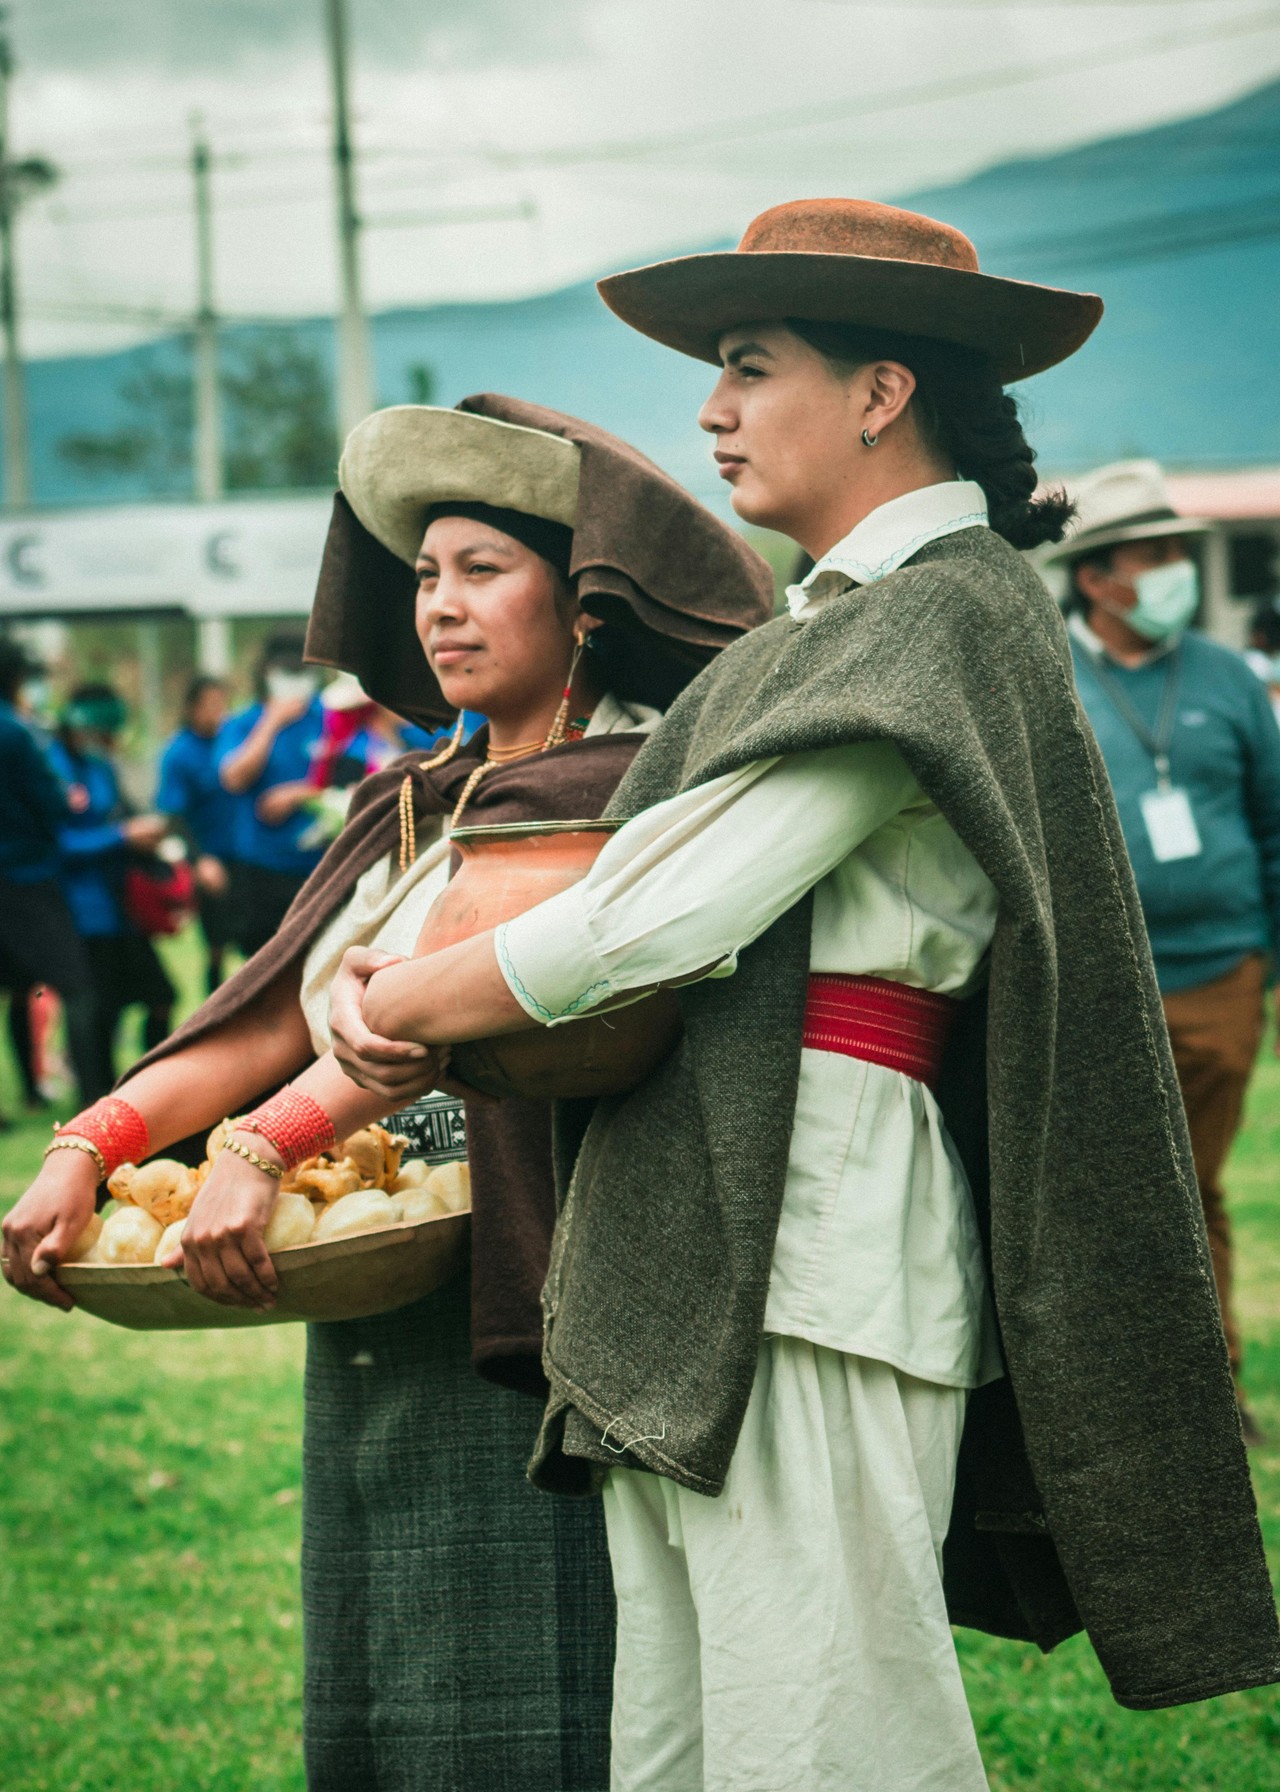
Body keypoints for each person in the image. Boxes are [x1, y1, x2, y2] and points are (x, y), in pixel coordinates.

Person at [326, 201, 1280, 1786]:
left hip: (819, 1231)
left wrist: (416, 998)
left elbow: (662, 911)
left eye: (750, 367)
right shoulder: (836, 626)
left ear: (881, 391)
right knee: (688, 1741)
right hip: (706, 1220)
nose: (709, 410)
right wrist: (406, 984)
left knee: (833, 1731)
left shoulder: (947, 612)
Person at [2, 395, 772, 1792]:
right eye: (425, 577)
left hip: (563, 1273)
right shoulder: (411, 796)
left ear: (584, 604)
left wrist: (268, 1142)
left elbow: (429, 1015)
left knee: (555, 1659)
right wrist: (89, 1141)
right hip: (375, 1265)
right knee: (390, 1635)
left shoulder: (644, 785)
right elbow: (267, 1018)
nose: (441, 608)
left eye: (485, 571)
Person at [1046, 458, 1280, 1443]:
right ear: (1095, 574)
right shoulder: (1053, 680)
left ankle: (1206, 1386)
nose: (1175, 570)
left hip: (1222, 972)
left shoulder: (1224, 674)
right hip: (1103, 982)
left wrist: (1266, 960)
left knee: (1192, 1184)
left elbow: (1270, 823)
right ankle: (1144, 1393)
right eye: (1154, 556)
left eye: (1178, 552)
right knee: (1118, 1198)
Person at [45, 683, 174, 1094]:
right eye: (102, 734)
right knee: (93, 1010)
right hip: (78, 909)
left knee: (159, 995)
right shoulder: (49, 767)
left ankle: (152, 1088)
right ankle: (94, 1101)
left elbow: (120, 813)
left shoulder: (101, 766)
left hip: (121, 908)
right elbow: (55, 843)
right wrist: (121, 837)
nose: (107, 743)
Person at [0, 640, 103, 1105]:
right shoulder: (15, 732)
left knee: (19, 989)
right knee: (75, 983)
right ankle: (90, 1090)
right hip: (26, 876)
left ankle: (28, 1093)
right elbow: (50, 801)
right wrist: (67, 800)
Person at [217, 632, 325, 959]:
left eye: (303, 672)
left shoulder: (330, 718)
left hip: (320, 866)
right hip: (262, 868)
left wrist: (299, 794)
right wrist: (272, 721)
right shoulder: (243, 722)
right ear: (267, 673)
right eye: (287, 673)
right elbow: (233, 778)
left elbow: (361, 772)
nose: (296, 681)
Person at [156, 675, 238, 991]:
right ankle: (214, 1013)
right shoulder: (179, 753)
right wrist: (199, 860)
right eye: (210, 705)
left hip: (246, 857)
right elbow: (174, 814)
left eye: (223, 704)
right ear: (192, 708)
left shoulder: (234, 739)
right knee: (217, 947)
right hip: (211, 861)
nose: (218, 712)